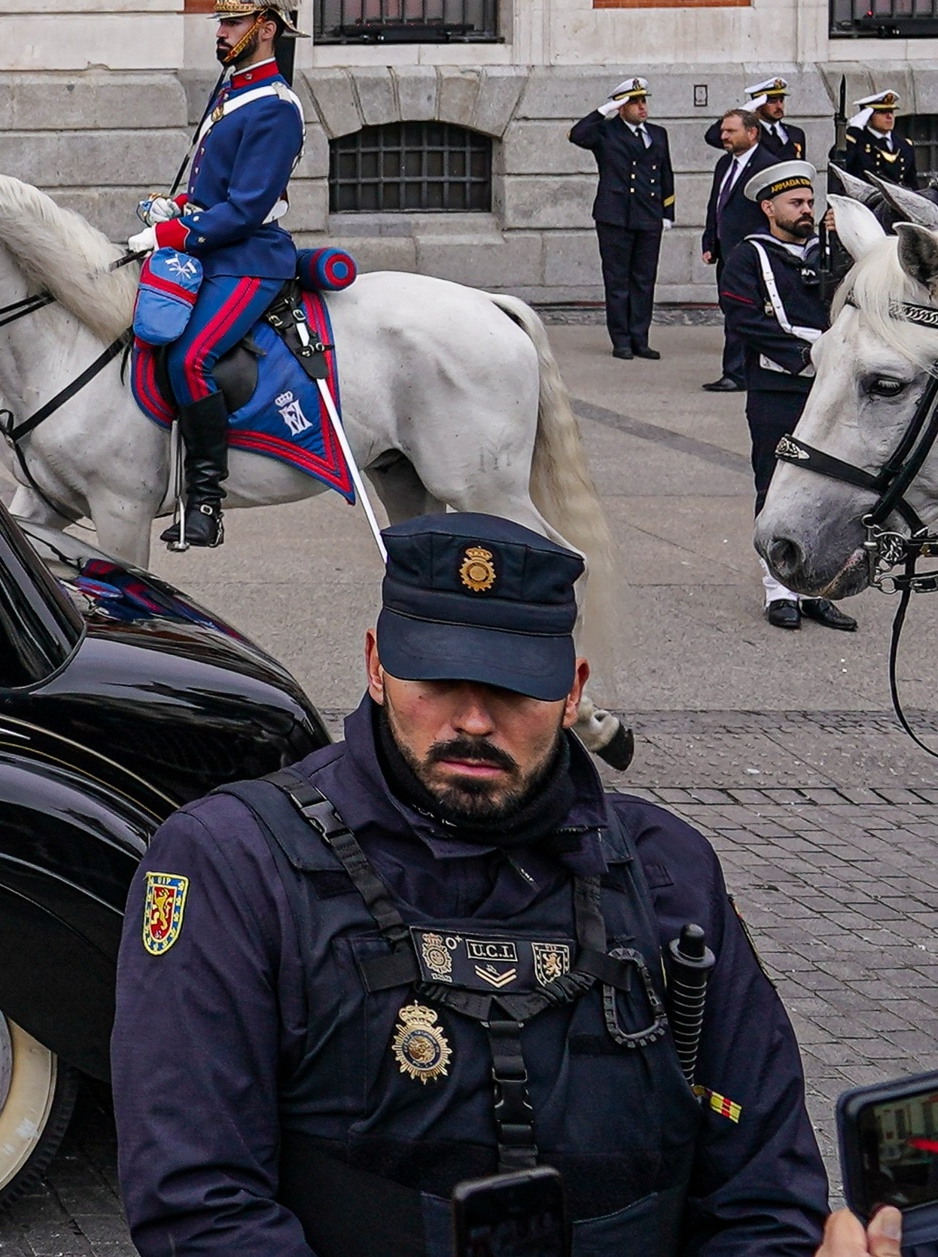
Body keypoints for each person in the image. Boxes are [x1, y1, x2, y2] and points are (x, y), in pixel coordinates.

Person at [110, 510, 831, 1257]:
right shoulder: (236, 862)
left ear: (572, 691)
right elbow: (200, 1203)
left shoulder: (667, 869)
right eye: (440, 679)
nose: (476, 720)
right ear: (376, 667)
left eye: (515, 688)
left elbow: (767, 1194)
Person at [123, 0, 305, 549]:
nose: (222, 33)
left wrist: (175, 234)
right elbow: (212, 192)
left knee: (190, 358)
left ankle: (205, 498)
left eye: (232, 22)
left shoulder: (275, 106)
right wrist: (171, 206)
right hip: (214, 243)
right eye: (222, 22)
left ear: (266, 28)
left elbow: (248, 208)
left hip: (250, 256)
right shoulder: (233, 95)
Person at [721, 160, 858, 633]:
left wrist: (847, 243)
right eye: (795, 203)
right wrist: (809, 354)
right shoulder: (747, 257)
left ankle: (817, 588)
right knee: (775, 483)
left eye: (809, 203)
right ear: (769, 207)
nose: (806, 210)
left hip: (831, 388)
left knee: (832, 488)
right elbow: (745, 321)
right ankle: (779, 589)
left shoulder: (830, 252)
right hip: (779, 386)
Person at [570, 77, 676, 361]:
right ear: (621, 107)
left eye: (643, 101)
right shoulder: (605, 132)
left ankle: (641, 339)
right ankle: (621, 341)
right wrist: (604, 110)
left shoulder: (658, 133)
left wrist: (668, 212)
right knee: (617, 281)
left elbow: (666, 174)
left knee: (644, 280)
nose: (642, 107)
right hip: (615, 216)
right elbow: (577, 135)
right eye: (634, 102)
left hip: (649, 215)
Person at [701, 109, 784, 393]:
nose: (723, 136)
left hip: (753, 253)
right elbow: (717, 206)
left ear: (752, 133)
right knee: (730, 309)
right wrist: (710, 242)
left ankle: (737, 373)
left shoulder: (768, 166)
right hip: (726, 252)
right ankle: (741, 370)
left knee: (744, 310)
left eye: (730, 131)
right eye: (723, 131)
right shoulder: (725, 164)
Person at [704, 77, 806, 161]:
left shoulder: (795, 133)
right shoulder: (749, 133)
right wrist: (742, 111)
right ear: (758, 105)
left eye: (781, 100)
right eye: (772, 101)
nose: (779, 106)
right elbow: (712, 137)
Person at [844, 90, 918, 190]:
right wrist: (853, 130)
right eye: (882, 112)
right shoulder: (858, 142)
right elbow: (840, 162)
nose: (889, 117)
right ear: (868, 117)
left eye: (891, 112)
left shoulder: (904, 145)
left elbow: (912, 184)